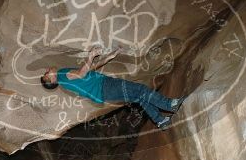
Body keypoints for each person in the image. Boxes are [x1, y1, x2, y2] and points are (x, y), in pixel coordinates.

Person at [41, 47, 185, 130]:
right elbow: (82, 73)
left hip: (103, 91)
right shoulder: (61, 75)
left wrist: (109, 58)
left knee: (140, 97)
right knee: (141, 90)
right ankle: (170, 104)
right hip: (105, 86)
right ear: (52, 80)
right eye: (47, 74)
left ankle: (161, 121)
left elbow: (89, 70)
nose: (48, 70)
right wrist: (91, 55)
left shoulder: (64, 79)